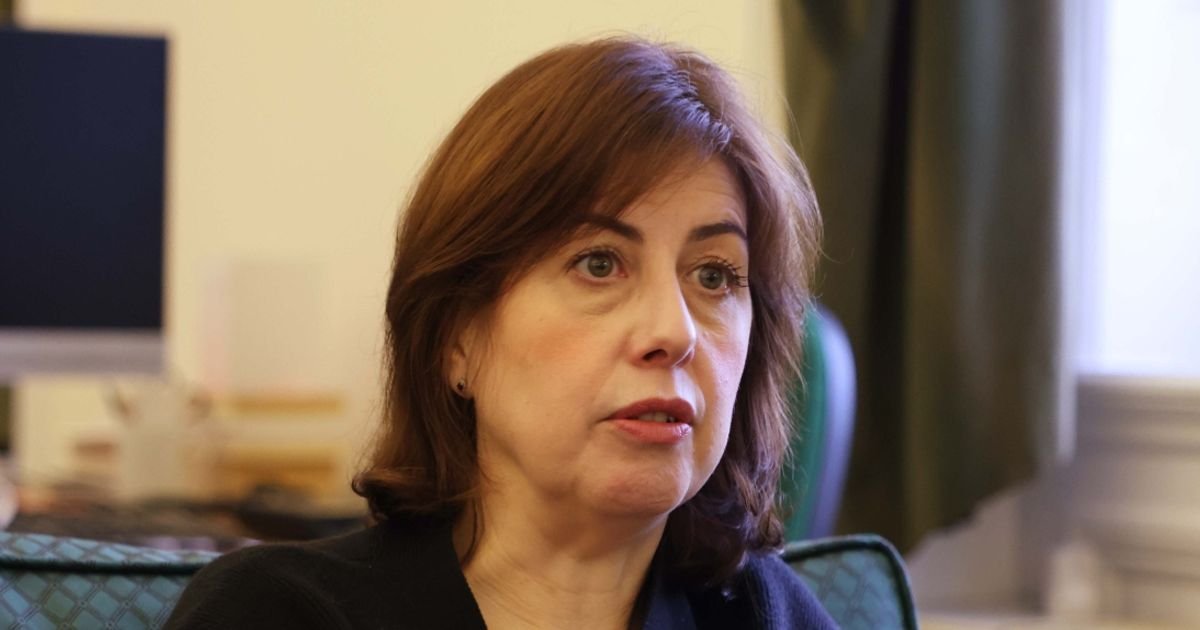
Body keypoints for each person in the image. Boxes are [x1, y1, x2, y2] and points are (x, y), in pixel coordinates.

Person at [166, 37, 834, 629]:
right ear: (456, 338)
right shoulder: (280, 613)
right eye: (598, 264)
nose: (673, 330)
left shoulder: (766, 614)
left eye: (714, 275)